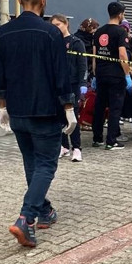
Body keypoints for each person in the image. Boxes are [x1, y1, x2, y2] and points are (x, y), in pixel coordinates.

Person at [0, 0, 76, 248]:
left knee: (32, 162)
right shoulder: (51, 33)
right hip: (46, 110)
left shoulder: (3, 33)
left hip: (17, 111)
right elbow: (61, 75)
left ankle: (44, 210)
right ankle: (26, 219)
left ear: (19, 0)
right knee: (46, 165)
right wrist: (69, 108)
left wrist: (2, 106)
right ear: (43, 1)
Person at [91, 2, 131, 151]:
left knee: (100, 107)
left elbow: (95, 55)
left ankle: (97, 138)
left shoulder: (99, 32)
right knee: (115, 108)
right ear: (120, 14)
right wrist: (127, 74)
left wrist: (95, 73)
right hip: (115, 76)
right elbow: (122, 54)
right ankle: (111, 141)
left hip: (101, 74)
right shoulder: (120, 32)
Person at [50, 14, 88, 162]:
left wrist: (83, 84)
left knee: (72, 117)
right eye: (53, 25)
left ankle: (77, 148)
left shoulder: (76, 42)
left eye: (58, 25)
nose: (56, 28)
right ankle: (63, 146)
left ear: (66, 24)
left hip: (72, 85)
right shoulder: (53, 42)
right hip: (56, 85)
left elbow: (82, 64)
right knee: (59, 117)